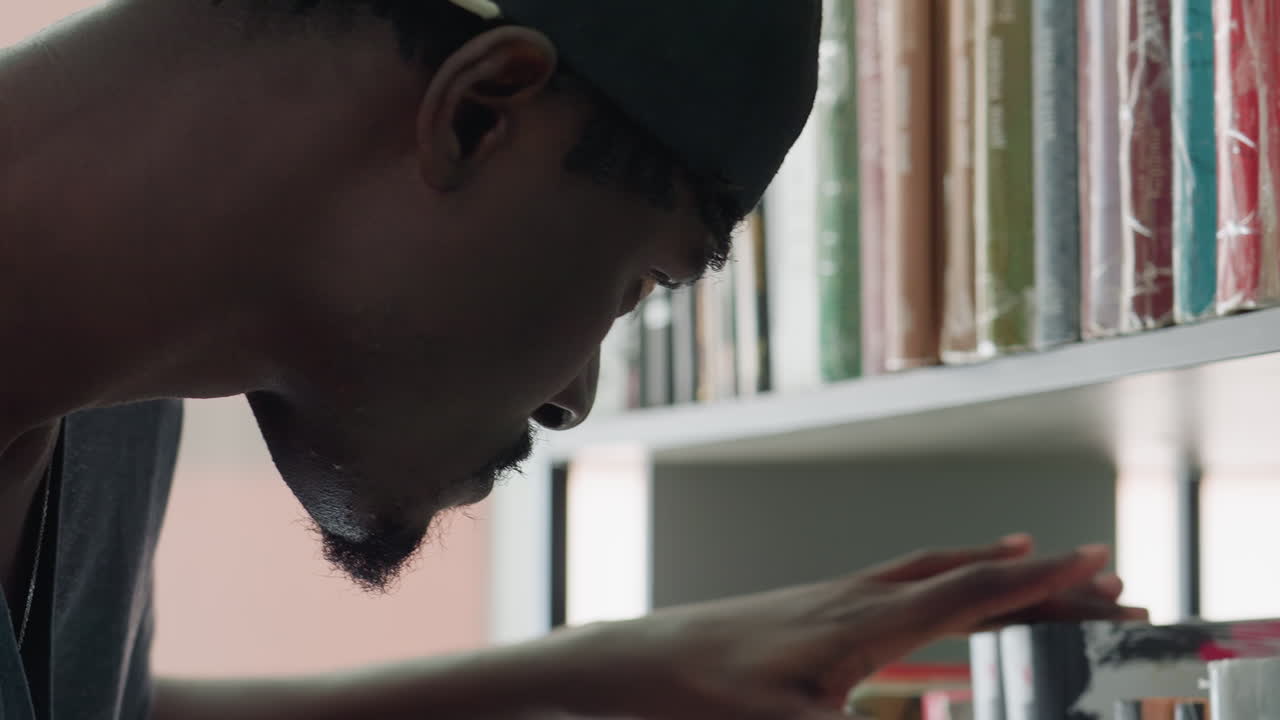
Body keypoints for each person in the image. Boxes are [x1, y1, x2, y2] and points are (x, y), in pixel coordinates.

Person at [0, 1, 1146, 718]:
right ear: (477, 115)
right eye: (638, 282)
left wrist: (591, 671)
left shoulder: (115, 409)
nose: (572, 395)